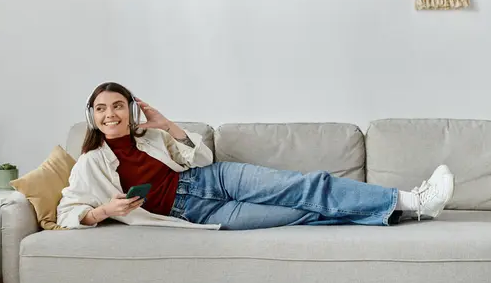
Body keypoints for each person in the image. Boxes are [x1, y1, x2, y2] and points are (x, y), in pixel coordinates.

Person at [56, 82, 455, 230]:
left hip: (214, 180)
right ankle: (404, 211)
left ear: (131, 109)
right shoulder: (91, 161)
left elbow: (202, 159)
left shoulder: (150, 136)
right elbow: (67, 212)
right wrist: (105, 210)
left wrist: (167, 124)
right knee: (307, 213)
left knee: (307, 186)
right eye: (101, 108)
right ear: (92, 115)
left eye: (118, 106)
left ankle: (412, 199)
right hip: (197, 214)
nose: (110, 114)